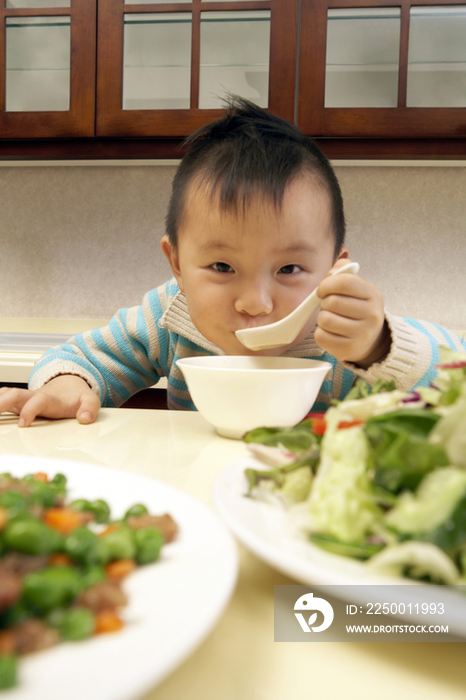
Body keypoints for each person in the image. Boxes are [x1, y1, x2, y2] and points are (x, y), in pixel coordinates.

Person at [1, 97, 465, 427]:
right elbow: (84, 357)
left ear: (334, 273)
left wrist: (380, 346)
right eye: (222, 268)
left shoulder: (344, 335)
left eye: (289, 270)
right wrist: (68, 384)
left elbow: (456, 379)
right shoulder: (169, 318)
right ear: (177, 264)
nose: (256, 303)